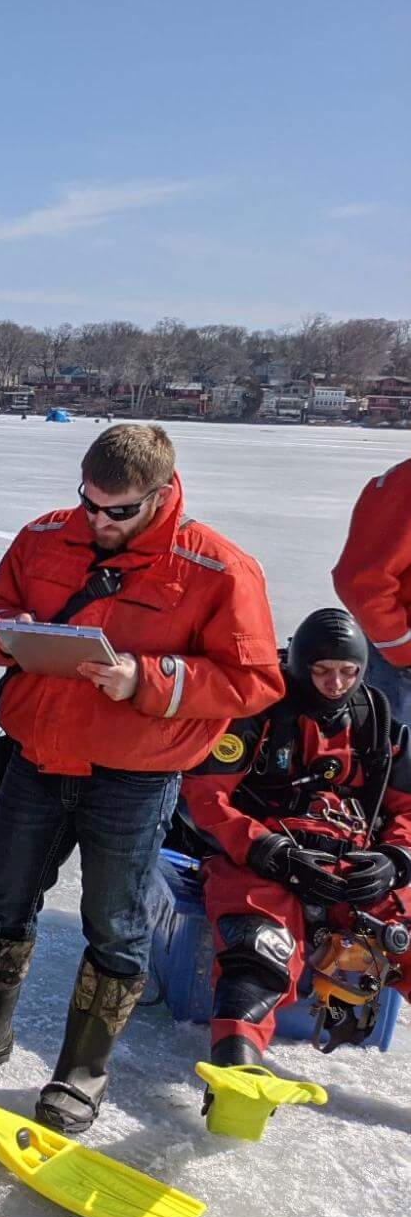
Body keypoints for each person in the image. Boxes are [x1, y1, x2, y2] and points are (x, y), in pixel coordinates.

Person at [0, 423, 281, 1133]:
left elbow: (254, 681)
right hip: (37, 759)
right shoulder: (45, 536)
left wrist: (149, 677)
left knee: (113, 922)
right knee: (6, 900)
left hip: (132, 780)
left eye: (119, 511)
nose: (99, 522)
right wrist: (3, 631)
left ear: (161, 493)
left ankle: (82, 1068)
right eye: (91, 504)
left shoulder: (217, 568)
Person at [181, 608, 411, 1138]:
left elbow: (405, 808)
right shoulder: (258, 711)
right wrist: (266, 850)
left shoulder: (375, 721)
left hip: (352, 862)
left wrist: (393, 861)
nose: (336, 684)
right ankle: (237, 1073)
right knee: (260, 946)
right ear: (301, 666)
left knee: (403, 933)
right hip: (266, 858)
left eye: (348, 673)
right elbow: (205, 796)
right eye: (324, 671)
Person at [332, 458, 411, 723]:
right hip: (399, 672)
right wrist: (402, 648)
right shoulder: (405, 484)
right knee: (396, 758)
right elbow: (363, 581)